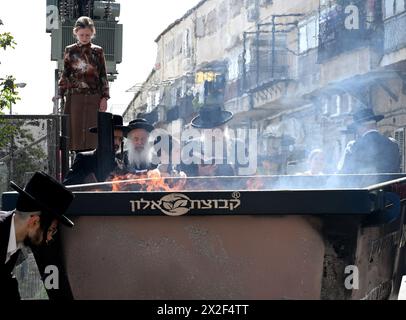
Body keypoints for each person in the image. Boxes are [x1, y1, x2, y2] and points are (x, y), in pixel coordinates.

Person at [0, 172, 74, 300]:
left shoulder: (15, 237)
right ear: (34, 222)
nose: (50, 238)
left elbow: (53, 279)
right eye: (51, 230)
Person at [54, 16, 110, 152]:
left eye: (88, 35)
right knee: (75, 130)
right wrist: (59, 94)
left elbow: (103, 74)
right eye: (82, 35)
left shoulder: (98, 51)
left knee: (93, 131)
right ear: (76, 33)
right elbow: (65, 73)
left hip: (94, 97)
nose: (85, 37)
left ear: (92, 34)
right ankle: (76, 163)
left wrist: (104, 97)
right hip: (75, 97)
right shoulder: (70, 50)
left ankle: (92, 164)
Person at [63, 114, 126, 185]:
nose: (117, 143)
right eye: (114, 138)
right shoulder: (85, 159)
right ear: (102, 137)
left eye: (120, 139)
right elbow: (68, 186)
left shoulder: (120, 165)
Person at [339, 108, 401, 174]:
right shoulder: (393, 143)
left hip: (364, 184)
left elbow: (344, 172)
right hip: (390, 184)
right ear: (375, 125)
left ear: (360, 127)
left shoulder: (352, 146)